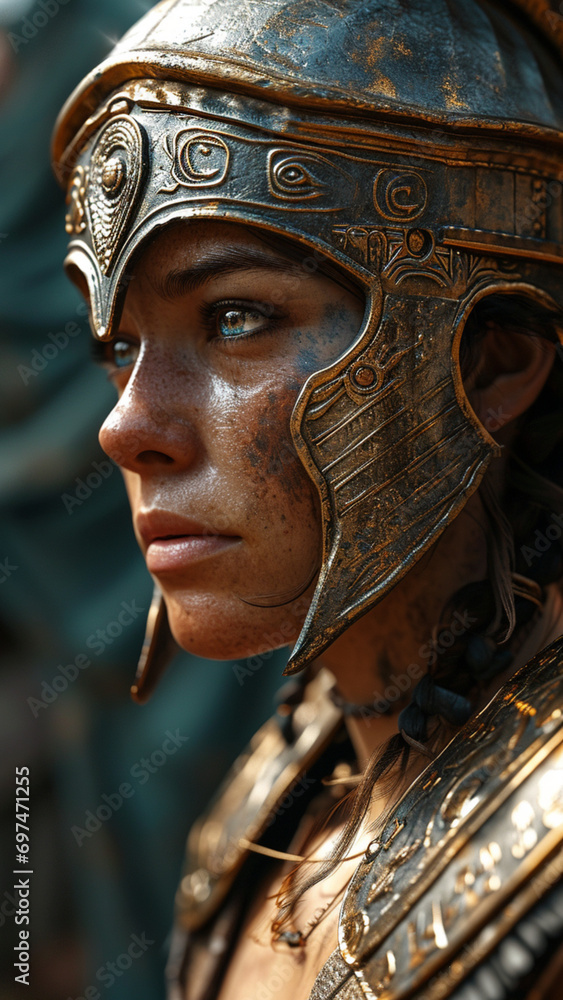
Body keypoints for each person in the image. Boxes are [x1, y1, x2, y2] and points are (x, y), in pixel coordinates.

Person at [51, 0, 563, 996]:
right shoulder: (265, 804)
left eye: (236, 316)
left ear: (490, 358)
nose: (125, 428)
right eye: (120, 347)